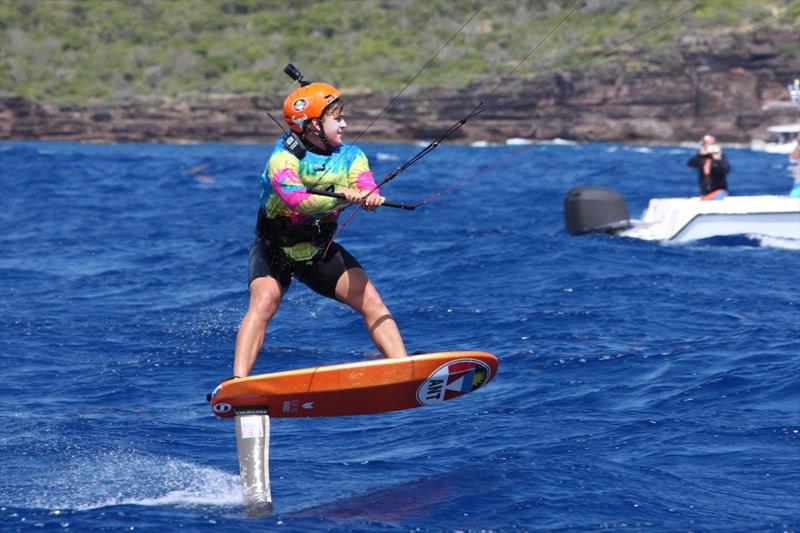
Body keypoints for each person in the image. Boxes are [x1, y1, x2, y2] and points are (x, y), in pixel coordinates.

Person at [231, 80, 408, 378]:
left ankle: (404, 368)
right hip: (275, 250)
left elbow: (365, 182)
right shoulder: (282, 159)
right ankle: (238, 382)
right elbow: (296, 200)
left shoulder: (352, 155)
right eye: (337, 119)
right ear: (313, 125)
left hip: (318, 251)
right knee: (264, 300)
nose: (345, 124)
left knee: (372, 301)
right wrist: (343, 198)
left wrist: (368, 196)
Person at [687, 134, 731, 200]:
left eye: (711, 145)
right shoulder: (702, 157)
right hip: (705, 192)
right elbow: (691, 164)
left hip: (719, 190)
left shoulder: (720, 157)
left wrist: (718, 160)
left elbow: (726, 170)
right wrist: (699, 155)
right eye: (707, 145)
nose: (709, 148)